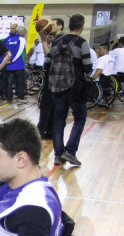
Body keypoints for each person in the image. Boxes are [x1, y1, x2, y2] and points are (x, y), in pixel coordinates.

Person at [46, 14, 92, 167]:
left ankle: (58, 155)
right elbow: (88, 67)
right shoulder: (82, 43)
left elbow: (46, 63)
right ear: (81, 26)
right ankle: (70, 151)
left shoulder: (56, 42)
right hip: (75, 87)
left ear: (69, 25)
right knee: (79, 118)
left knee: (59, 121)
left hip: (57, 86)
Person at [37, 18, 64, 140]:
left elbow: (49, 56)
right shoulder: (58, 39)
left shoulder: (60, 40)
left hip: (54, 75)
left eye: (52, 25)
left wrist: (43, 42)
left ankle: (42, 130)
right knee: (52, 105)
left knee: (46, 104)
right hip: (58, 76)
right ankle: (50, 131)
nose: (49, 26)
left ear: (60, 26)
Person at [3, 26, 28, 103]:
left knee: (10, 83)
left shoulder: (10, 39)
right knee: (20, 82)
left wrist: (7, 60)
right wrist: (12, 60)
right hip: (18, 64)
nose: (26, 32)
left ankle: (9, 99)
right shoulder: (21, 39)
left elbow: (6, 51)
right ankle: (21, 98)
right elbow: (19, 51)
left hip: (9, 66)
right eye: (25, 30)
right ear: (21, 31)